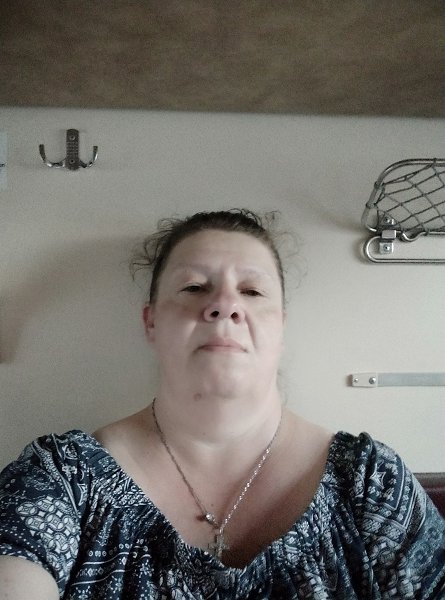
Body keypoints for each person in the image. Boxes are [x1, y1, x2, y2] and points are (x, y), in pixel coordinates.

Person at [0, 208, 444, 600]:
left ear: (281, 327)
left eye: (252, 291)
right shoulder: (61, 479)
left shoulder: (372, 483)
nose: (225, 305)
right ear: (151, 321)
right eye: (194, 287)